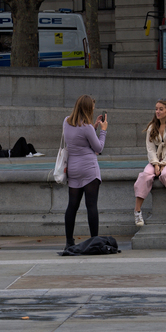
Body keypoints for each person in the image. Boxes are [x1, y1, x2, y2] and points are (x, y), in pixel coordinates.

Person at [62, 95, 107, 249]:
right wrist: (103, 131)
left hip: (73, 169)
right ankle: (94, 240)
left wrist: (92, 127)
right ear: (88, 109)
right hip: (88, 169)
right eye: (92, 109)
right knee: (91, 206)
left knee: (72, 206)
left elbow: (77, 138)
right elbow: (98, 148)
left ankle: (69, 241)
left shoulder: (66, 122)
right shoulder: (87, 128)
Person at [133, 98, 166, 227]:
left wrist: (163, 165)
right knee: (145, 175)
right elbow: (150, 149)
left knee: (165, 174)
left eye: (161, 109)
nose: (157, 111)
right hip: (157, 160)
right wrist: (156, 164)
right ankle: (137, 211)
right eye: (156, 109)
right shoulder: (152, 127)